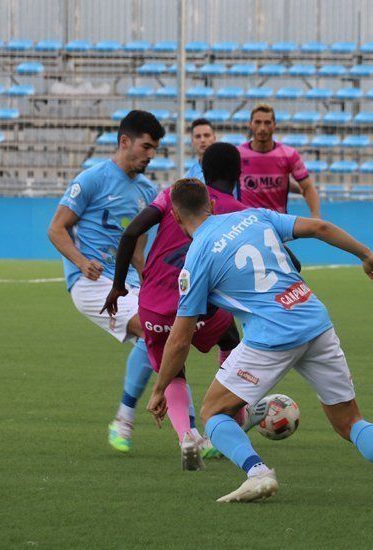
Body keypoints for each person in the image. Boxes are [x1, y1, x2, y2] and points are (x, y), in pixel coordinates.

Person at [146, 179, 373, 504]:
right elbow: (318, 226)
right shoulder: (253, 216)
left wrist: (161, 388)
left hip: (271, 335)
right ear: (213, 204)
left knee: (214, 411)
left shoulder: (196, 258)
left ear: (175, 218)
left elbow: (179, 338)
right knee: (349, 421)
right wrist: (366, 254)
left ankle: (258, 474)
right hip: (314, 320)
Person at [102, 143, 247, 469]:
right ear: (239, 173)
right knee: (231, 341)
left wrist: (117, 286)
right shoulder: (237, 209)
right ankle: (233, 413)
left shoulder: (173, 196)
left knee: (173, 369)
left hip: (155, 306)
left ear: (203, 170)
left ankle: (187, 437)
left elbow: (132, 232)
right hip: (201, 307)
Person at [47, 110, 163, 453]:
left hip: (129, 283)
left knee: (168, 341)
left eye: (155, 148)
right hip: (91, 285)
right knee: (152, 329)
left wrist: (155, 284)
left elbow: (140, 252)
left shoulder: (147, 191)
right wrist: (82, 262)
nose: (151, 154)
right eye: (146, 146)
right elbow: (56, 228)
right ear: (124, 141)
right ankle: (126, 420)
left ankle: (191, 434)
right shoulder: (93, 179)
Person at [237, 103, 321, 218]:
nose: (262, 128)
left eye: (267, 123)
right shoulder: (237, 154)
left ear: (274, 125)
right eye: (258, 122)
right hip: (247, 222)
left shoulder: (289, 154)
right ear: (250, 124)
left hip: (278, 222)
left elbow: (307, 187)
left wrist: (315, 215)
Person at [183, 118, 216, 183]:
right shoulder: (188, 178)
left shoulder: (227, 170)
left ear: (214, 138)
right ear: (192, 141)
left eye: (206, 135)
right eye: (198, 136)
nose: (202, 140)